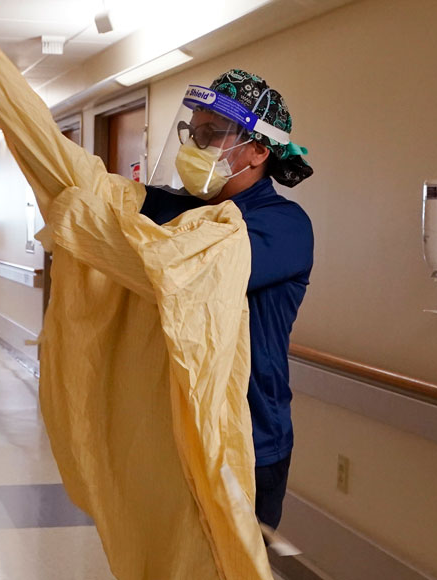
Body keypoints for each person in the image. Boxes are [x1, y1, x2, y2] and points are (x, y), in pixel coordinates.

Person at [142, 69, 315, 529]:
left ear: (259, 150)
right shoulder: (181, 208)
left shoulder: (284, 226)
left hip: (249, 439)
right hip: (174, 430)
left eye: (211, 135)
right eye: (191, 133)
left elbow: (189, 270)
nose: (193, 148)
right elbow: (104, 201)